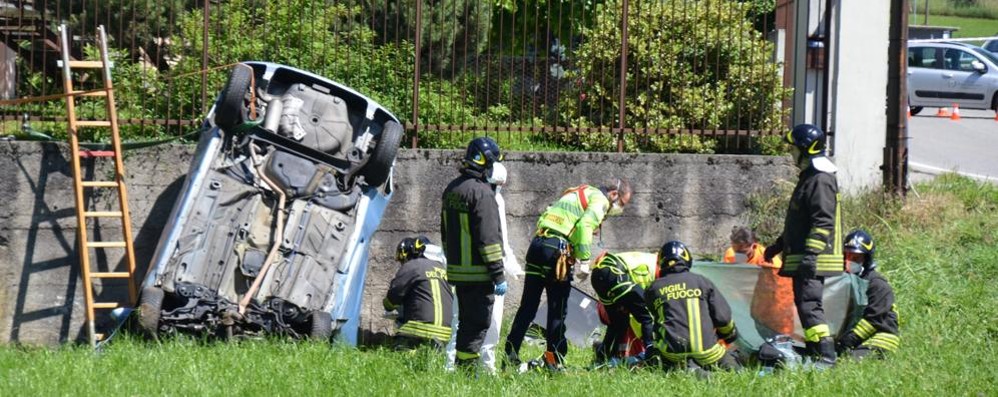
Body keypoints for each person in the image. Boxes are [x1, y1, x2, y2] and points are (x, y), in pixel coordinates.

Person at [504, 179, 632, 370]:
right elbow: (585, 225)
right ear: (614, 194)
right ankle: (553, 361)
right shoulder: (600, 199)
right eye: (622, 203)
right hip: (557, 251)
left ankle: (509, 355)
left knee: (528, 307)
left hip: (538, 244)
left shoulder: (576, 192)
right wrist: (584, 260)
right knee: (558, 309)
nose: (619, 209)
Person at [763, 123, 844, 369]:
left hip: (814, 258)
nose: (791, 154)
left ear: (804, 150)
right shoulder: (810, 177)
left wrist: (811, 255)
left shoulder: (820, 180)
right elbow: (799, 222)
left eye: (794, 149)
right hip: (803, 256)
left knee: (810, 305)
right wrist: (779, 245)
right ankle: (815, 351)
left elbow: (822, 222)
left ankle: (826, 357)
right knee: (804, 305)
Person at [444, 153, 524, 373]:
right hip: (480, 274)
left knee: (461, 324)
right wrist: (499, 274)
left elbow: (446, 234)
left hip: (458, 272)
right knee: (479, 325)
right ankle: (470, 372)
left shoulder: (454, 189)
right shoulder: (484, 195)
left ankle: (457, 370)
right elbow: (491, 241)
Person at [644, 241, 741, 372]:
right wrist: (730, 336)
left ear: (661, 262)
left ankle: (687, 369)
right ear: (687, 260)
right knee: (735, 370)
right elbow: (723, 318)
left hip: (672, 354)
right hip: (707, 352)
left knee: (657, 356)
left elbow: (655, 318)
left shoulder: (653, 289)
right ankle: (706, 370)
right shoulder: (702, 281)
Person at [836, 229, 900, 359]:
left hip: (880, 336)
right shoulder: (844, 281)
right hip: (854, 339)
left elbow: (873, 320)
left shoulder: (877, 284)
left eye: (855, 258)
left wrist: (846, 342)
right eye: (847, 256)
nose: (849, 261)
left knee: (848, 365)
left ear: (866, 259)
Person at [722, 226, 794, 337]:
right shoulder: (730, 254)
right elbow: (728, 281)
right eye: (736, 250)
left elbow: (782, 291)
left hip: (768, 303)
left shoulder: (769, 260)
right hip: (742, 302)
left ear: (753, 246)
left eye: (743, 251)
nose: (739, 255)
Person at [383, 236, 453, 349]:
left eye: (402, 260)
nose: (402, 264)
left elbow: (391, 300)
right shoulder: (443, 269)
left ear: (407, 255)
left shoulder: (412, 266)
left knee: (398, 349)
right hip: (447, 333)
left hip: (421, 330)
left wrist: (388, 305)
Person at [590, 251, 657, 366]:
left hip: (598, 277)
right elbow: (640, 311)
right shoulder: (652, 268)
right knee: (646, 319)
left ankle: (604, 355)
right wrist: (644, 336)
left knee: (617, 324)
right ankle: (651, 356)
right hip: (615, 277)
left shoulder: (649, 259)